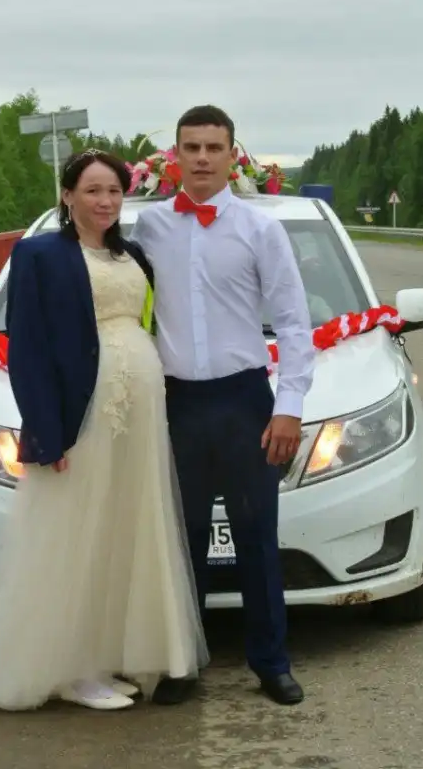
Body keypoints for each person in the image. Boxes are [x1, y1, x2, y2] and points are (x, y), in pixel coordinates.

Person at [0, 149, 209, 713]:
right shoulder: (40, 254)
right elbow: (30, 349)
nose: (105, 201)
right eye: (92, 190)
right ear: (68, 196)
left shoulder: (133, 254)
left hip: (142, 417)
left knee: (123, 531)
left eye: (114, 191)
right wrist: (45, 433)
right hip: (82, 414)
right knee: (76, 534)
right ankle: (70, 670)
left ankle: (112, 654)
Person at [130, 105, 315, 707]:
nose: (203, 158)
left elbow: (292, 321)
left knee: (256, 532)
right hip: (176, 403)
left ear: (233, 155)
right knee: (180, 540)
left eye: (214, 147)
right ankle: (183, 663)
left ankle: (271, 662)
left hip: (244, 400)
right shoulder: (150, 228)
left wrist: (289, 406)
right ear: (176, 157)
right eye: (192, 147)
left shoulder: (261, 231)